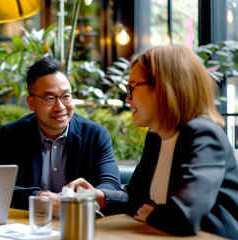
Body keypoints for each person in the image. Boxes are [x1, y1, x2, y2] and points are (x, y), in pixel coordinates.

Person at [68, 44, 238, 239]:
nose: (127, 99)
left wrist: (153, 213)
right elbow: (136, 199)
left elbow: (185, 217)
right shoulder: (156, 136)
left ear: (164, 87)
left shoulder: (203, 134)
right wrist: (101, 197)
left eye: (132, 87)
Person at [0, 57, 121, 216]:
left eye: (66, 96)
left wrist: (89, 196)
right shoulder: (12, 135)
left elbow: (111, 186)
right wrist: (39, 199)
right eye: (50, 98)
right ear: (31, 103)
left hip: (81, 223)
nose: (60, 107)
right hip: (30, 225)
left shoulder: (95, 134)